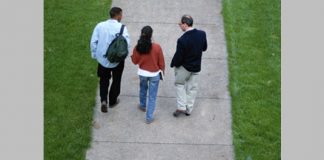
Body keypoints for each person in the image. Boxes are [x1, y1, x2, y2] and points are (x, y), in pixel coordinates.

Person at [90, 7, 130, 113]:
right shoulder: (122, 28)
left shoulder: (100, 26)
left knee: (104, 80)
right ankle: (112, 101)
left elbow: (93, 42)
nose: (122, 16)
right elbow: (126, 44)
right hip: (117, 61)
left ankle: (104, 100)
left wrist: (95, 55)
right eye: (121, 15)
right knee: (116, 80)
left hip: (102, 60)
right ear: (118, 15)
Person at [170, 15, 207, 117]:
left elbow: (178, 57)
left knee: (179, 84)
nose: (179, 26)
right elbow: (204, 48)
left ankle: (181, 106)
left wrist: (173, 64)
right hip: (196, 67)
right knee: (192, 88)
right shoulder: (202, 34)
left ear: (185, 24)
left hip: (185, 68)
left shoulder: (182, 39)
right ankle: (188, 109)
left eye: (180, 24)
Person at [131, 26, 165, 124]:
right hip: (155, 74)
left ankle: (142, 105)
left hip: (143, 74)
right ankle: (149, 118)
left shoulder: (138, 47)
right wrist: (162, 72)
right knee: (152, 96)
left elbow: (134, 61)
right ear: (151, 35)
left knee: (142, 89)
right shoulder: (157, 47)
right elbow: (161, 63)